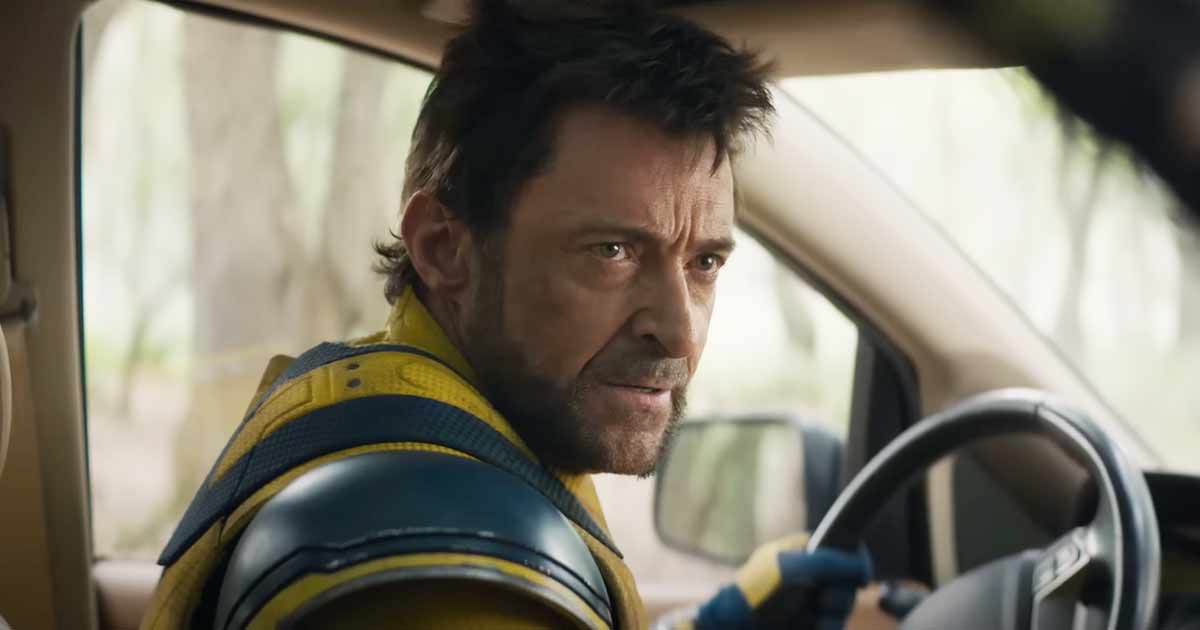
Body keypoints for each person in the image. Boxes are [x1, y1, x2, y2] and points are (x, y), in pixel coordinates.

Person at [140, 2, 867, 629]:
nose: (679, 330)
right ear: (444, 249)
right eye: (612, 251)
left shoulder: (384, 415)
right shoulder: (437, 555)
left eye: (704, 263)